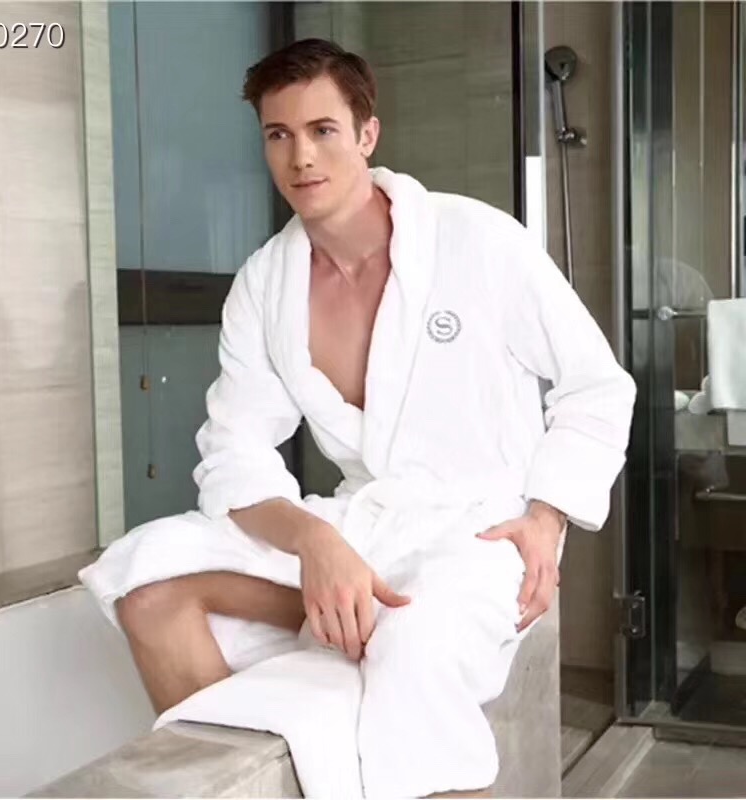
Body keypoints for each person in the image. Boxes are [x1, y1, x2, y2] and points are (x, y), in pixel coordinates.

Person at [80, 38, 636, 799]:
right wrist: (317, 542)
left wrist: (546, 520)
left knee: (411, 657)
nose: (300, 156)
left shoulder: (477, 240)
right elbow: (234, 454)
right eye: (279, 135)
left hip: (478, 532)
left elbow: (596, 386)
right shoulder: (266, 285)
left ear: (367, 135)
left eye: (322, 130)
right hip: (365, 523)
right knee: (150, 584)